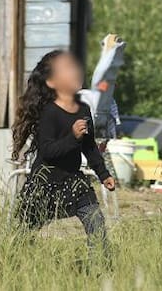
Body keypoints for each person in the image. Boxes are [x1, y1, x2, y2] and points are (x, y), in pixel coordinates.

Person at [11, 50, 117, 247]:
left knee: (97, 228)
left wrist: (103, 174)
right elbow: (48, 151)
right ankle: (12, 267)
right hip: (44, 184)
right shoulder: (48, 112)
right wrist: (73, 137)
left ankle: (100, 270)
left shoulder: (84, 110)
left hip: (74, 182)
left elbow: (89, 146)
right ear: (52, 82)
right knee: (23, 237)